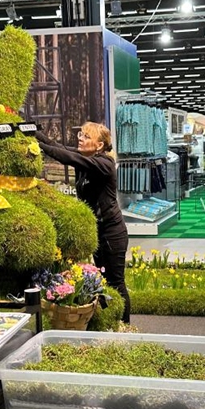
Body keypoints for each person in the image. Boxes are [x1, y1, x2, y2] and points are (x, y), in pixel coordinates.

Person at [36, 122, 131, 323]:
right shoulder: (86, 160)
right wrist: (31, 133)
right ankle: (109, 321)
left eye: (86, 136)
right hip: (99, 231)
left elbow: (65, 156)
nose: (80, 138)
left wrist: (39, 145)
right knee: (104, 281)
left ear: (99, 146)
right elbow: (58, 148)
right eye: (80, 134)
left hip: (112, 233)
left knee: (116, 282)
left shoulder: (103, 163)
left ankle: (124, 325)